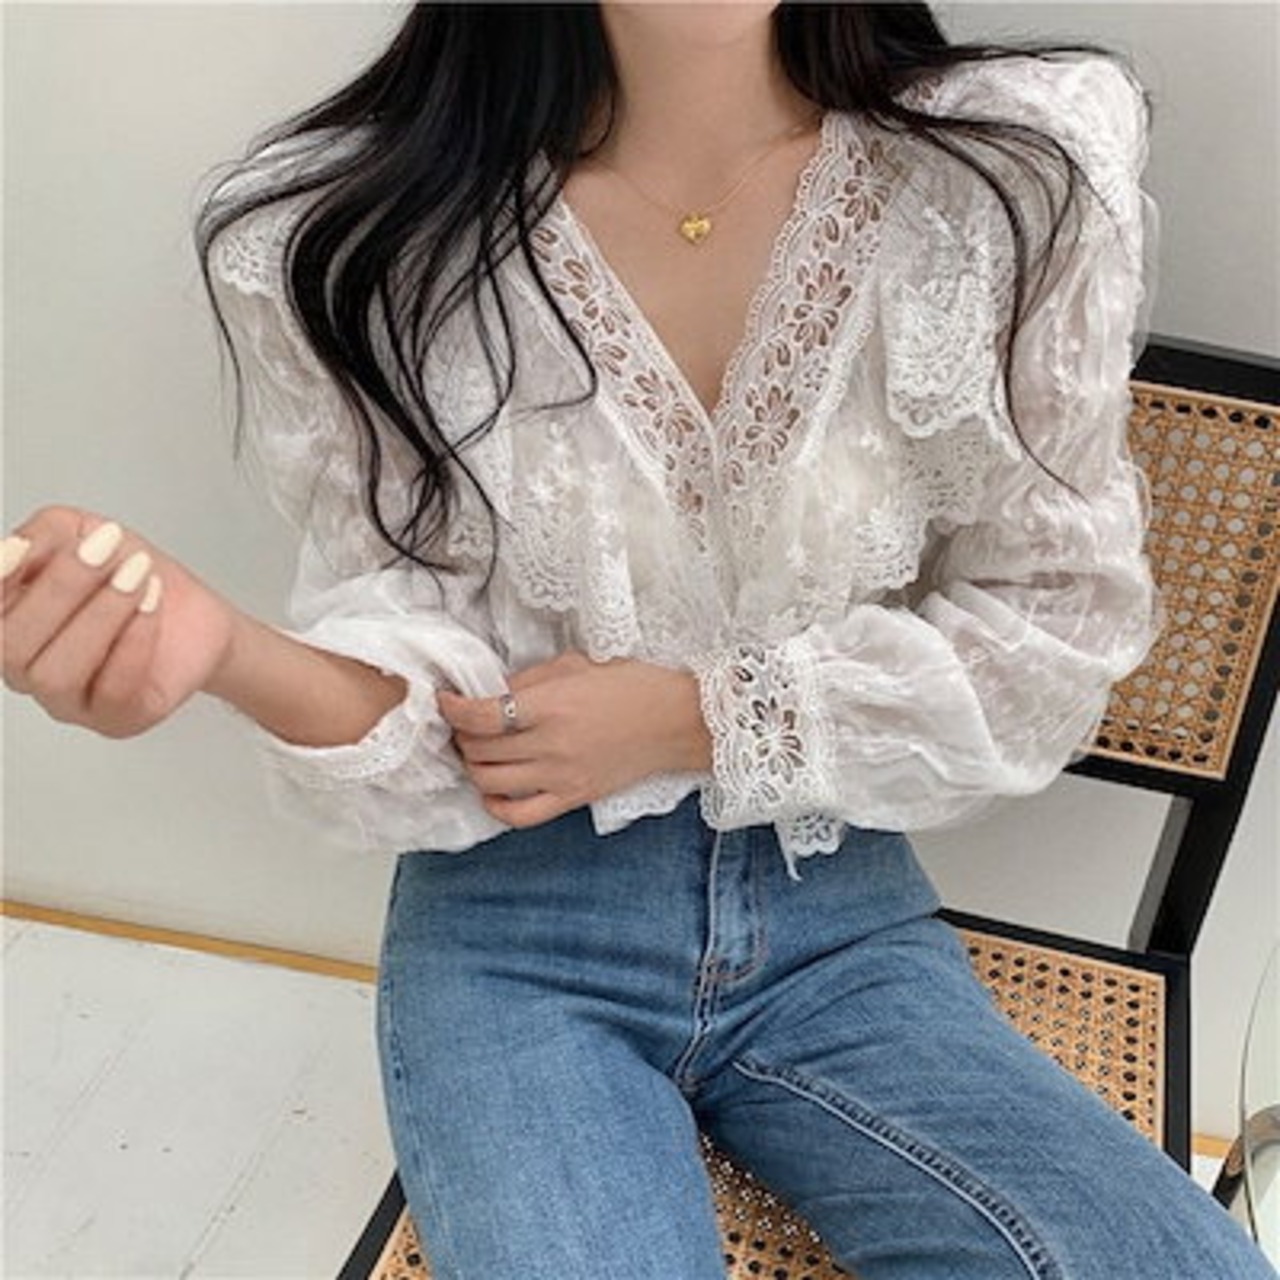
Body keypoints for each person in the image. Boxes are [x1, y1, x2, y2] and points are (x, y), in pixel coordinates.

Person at [3, 4, 1275, 1278]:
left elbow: (1051, 630)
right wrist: (223, 649)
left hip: (836, 909)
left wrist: (695, 715)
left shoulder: (999, 175)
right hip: (515, 938)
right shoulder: (356, 234)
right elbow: (436, 713)